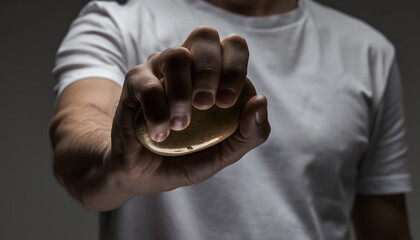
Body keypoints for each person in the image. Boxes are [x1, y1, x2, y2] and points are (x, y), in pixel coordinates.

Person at [49, 0, 413, 239]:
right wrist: (117, 163)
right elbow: (77, 130)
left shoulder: (368, 51)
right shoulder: (117, 20)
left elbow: (386, 221)